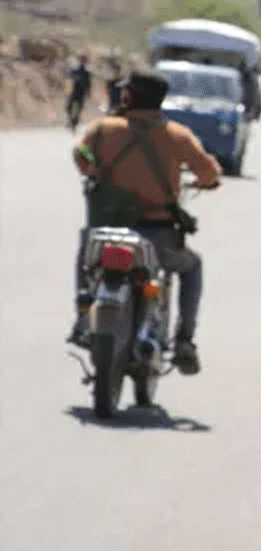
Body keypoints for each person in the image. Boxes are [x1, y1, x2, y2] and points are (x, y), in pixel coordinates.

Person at [68, 69, 222, 374]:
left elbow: (80, 152)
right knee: (192, 267)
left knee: (86, 254)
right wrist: (202, 183)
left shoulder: (103, 129)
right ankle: (184, 341)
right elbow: (209, 173)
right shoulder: (178, 136)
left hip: (106, 232)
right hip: (156, 235)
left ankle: (83, 317)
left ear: (127, 96)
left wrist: (93, 170)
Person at [65, 54, 92, 129]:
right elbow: (68, 78)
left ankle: (75, 120)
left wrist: (89, 92)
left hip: (82, 92)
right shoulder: (74, 69)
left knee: (79, 108)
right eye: (81, 59)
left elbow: (89, 82)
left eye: (84, 60)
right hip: (74, 91)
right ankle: (70, 119)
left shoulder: (87, 71)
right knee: (69, 106)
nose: (82, 61)